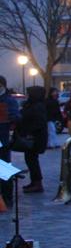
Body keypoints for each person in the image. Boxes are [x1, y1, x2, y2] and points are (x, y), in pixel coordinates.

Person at [16, 87, 48, 193]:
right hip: (32, 137)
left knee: (32, 161)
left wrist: (29, 131)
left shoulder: (38, 106)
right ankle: (34, 181)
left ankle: (37, 183)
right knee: (30, 160)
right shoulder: (32, 104)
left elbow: (39, 122)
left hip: (35, 138)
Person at [0, 76, 21, 205]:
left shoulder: (9, 100)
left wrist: (9, 117)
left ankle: (7, 198)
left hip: (3, 139)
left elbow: (17, 117)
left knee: (4, 169)